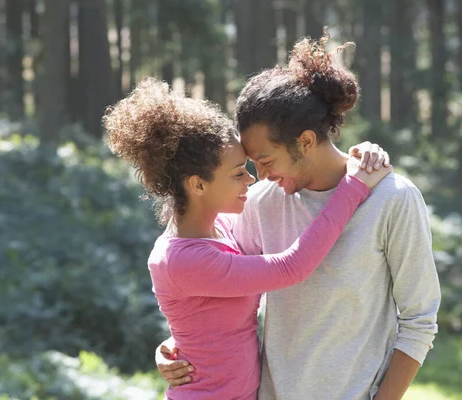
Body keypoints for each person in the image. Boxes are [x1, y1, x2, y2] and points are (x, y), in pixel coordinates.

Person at [155, 35, 441, 400]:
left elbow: (419, 321)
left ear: (305, 141)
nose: (258, 176)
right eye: (251, 163)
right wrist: (174, 347)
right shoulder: (259, 204)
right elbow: (212, 292)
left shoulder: (393, 200)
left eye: (266, 160)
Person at [104, 76, 391, 400]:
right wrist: (354, 187)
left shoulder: (223, 229)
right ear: (198, 185)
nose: (251, 179)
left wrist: (180, 342)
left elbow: (206, 320)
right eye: (238, 172)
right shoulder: (181, 259)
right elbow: (290, 268)